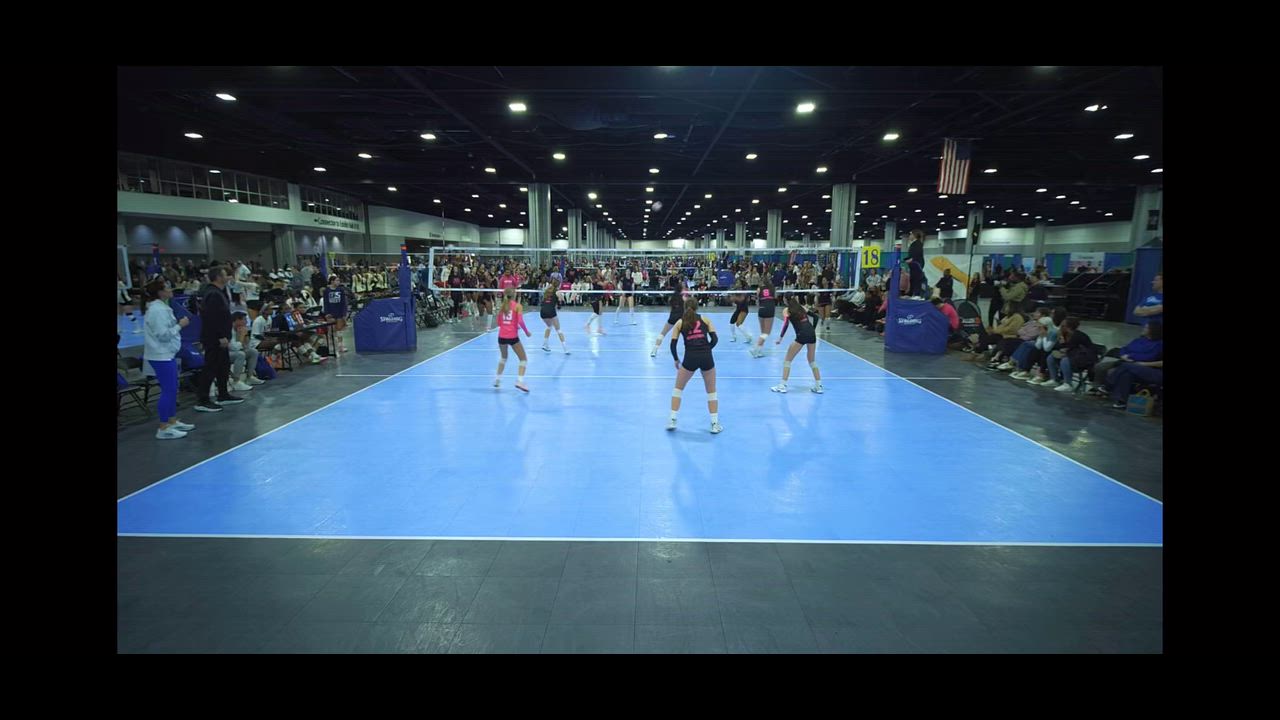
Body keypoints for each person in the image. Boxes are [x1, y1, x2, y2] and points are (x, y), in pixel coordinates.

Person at [142, 279, 196, 439]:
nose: (171, 289)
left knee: (173, 389)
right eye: (167, 287)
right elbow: (163, 335)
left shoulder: (162, 308)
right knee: (168, 390)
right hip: (160, 356)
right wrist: (180, 325)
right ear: (160, 292)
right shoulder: (157, 311)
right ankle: (163, 427)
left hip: (167, 354)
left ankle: (172, 421)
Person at [667, 298, 722, 434]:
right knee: (711, 392)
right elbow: (715, 339)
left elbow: (673, 344)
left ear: (685, 307)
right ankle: (714, 424)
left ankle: (672, 420)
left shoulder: (680, 322)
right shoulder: (705, 319)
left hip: (690, 358)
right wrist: (706, 349)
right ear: (697, 307)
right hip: (706, 358)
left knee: (678, 389)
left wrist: (676, 359)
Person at [196, 266, 242, 413]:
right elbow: (212, 318)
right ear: (218, 277)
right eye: (225, 275)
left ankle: (223, 394)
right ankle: (203, 400)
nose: (228, 277)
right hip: (214, 338)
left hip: (221, 337)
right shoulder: (212, 294)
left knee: (223, 366)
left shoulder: (219, 292)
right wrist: (220, 335)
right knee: (211, 367)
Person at [1089, 321, 1163, 394]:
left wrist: (1131, 356)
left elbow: (1150, 356)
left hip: (1138, 364)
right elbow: (1125, 348)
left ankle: (1108, 388)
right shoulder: (1138, 340)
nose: (1143, 329)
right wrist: (1123, 355)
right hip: (1124, 360)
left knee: (1115, 372)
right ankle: (1096, 388)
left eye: (1146, 328)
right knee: (1100, 366)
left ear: (1153, 330)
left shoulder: (1158, 344)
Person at [772, 296, 823, 394]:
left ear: (785, 300)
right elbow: (816, 317)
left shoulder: (787, 310)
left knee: (787, 360)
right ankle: (819, 386)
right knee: (812, 361)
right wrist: (812, 329)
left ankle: (782, 385)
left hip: (801, 335)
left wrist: (780, 338)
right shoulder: (802, 307)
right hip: (812, 334)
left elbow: (786, 324)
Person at [493, 287, 532, 392]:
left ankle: (497, 380)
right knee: (523, 359)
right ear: (514, 294)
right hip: (512, 337)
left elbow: (499, 323)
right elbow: (520, 321)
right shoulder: (518, 306)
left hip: (501, 336)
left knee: (503, 357)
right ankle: (520, 381)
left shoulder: (502, 306)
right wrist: (526, 332)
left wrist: (507, 325)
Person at [1046, 317, 1098, 392]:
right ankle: (1054, 379)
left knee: (1065, 360)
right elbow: (1058, 347)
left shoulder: (1078, 336)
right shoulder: (1064, 334)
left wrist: (1064, 349)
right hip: (1072, 356)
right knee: (1051, 357)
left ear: (1069, 327)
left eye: (1063, 326)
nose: (1060, 327)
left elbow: (1072, 349)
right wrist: (1061, 342)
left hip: (1084, 359)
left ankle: (1068, 384)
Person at [228, 311, 264, 392]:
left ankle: (249, 377)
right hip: (224, 353)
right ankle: (236, 381)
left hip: (234, 351)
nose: (246, 322)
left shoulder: (239, 329)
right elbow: (234, 348)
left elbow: (247, 347)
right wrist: (241, 336)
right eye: (244, 320)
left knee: (253, 352)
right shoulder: (229, 329)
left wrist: (246, 336)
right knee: (240, 355)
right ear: (237, 320)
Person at [651, 286, 686, 358]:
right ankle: (690, 350)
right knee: (687, 335)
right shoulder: (684, 298)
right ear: (681, 290)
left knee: (662, 333)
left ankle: (654, 349)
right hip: (681, 319)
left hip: (672, 318)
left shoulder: (671, 298)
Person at [748, 278, 778, 358]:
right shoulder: (773, 289)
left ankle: (759, 351)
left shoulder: (759, 289)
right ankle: (755, 348)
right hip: (770, 309)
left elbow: (758, 300)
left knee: (763, 333)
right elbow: (775, 297)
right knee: (766, 333)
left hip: (761, 309)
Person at [322, 275, 352, 354]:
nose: (338, 282)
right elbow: (325, 303)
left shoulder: (341, 290)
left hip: (339, 313)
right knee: (331, 331)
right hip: (330, 313)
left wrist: (344, 313)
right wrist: (327, 313)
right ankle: (332, 346)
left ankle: (340, 346)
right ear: (332, 281)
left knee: (339, 331)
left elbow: (343, 303)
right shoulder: (326, 291)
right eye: (337, 280)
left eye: (339, 280)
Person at [539, 286, 570, 354]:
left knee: (549, 326)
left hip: (542, 312)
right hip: (551, 312)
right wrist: (560, 302)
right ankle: (566, 349)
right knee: (558, 330)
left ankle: (545, 344)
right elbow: (560, 304)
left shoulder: (546, 293)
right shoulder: (557, 292)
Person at [906, 229, 926, 298]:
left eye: (910, 234)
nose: (909, 236)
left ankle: (917, 294)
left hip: (917, 265)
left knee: (916, 279)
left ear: (914, 235)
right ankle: (912, 293)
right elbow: (912, 255)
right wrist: (907, 259)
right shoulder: (914, 244)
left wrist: (911, 259)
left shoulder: (918, 243)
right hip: (914, 265)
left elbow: (917, 254)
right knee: (912, 279)